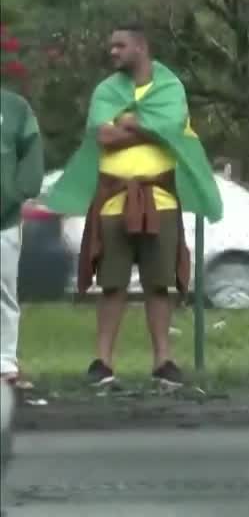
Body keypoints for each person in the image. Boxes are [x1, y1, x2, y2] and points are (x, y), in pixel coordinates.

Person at [46, 25, 222, 389]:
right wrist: (146, 128)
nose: (113, 52)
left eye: (120, 45)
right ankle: (103, 364)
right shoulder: (106, 91)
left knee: (160, 285)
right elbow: (104, 136)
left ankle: (163, 363)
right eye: (111, 45)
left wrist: (132, 123)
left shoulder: (170, 88)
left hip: (160, 200)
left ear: (141, 47)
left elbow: (171, 127)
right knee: (112, 285)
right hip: (113, 202)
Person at [1, 83, 44, 389]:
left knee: (4, 292)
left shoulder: (15, 107)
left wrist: (17, 192)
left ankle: (4, 364)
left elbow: (31, 154)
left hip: (4, 219)